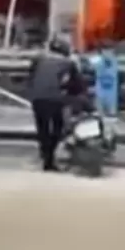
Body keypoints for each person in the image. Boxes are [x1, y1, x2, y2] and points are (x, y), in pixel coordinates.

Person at [26, 36, 83, 171]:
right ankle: (49, 157)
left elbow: (30, 76)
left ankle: (46, 155)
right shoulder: (69, 63)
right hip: (55, 98)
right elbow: (77, 85)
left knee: (42, 129)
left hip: (37, 98)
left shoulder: (38, 59)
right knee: (58, 127)